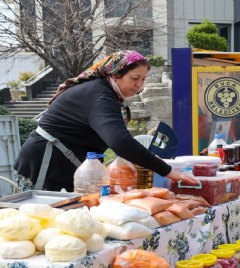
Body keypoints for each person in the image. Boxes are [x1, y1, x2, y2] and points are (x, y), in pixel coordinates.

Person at [14, 50, 196, 191]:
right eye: (134, 78)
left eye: (143, 79)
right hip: (46, 164)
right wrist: (167, 171)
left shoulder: (105, 92)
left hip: (67, 164)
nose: (139, 85)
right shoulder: (100, 96)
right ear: (116, 74)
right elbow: (120, 141)